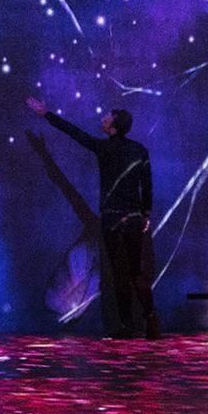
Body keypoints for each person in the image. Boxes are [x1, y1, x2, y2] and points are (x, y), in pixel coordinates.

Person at [26, 94, 159, 336]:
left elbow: (75, 133)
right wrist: (145, 214)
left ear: (113, 126)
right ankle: (149, 320)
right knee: (134, 272)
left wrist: (46, 114)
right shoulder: (140, 151)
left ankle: (127, 324)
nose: (103, 118)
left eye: (107, 117)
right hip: (132, 219)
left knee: (119, 274)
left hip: (112, 219)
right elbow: (147, 186)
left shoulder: (104, 148)